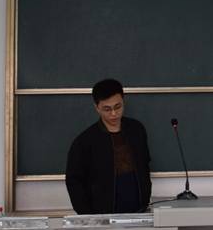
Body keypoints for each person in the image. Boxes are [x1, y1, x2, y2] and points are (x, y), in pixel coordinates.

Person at [65, 79, 152, 214]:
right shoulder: (85, 141)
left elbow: (145, 164)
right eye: (107, 109)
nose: (113, 114)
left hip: (139, 211)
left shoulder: (136, 130)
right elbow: (74, 181)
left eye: (118, 107)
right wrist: (88, 215)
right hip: (102, 215)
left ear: (123, 102)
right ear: (97, 108)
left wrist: (146, 198)